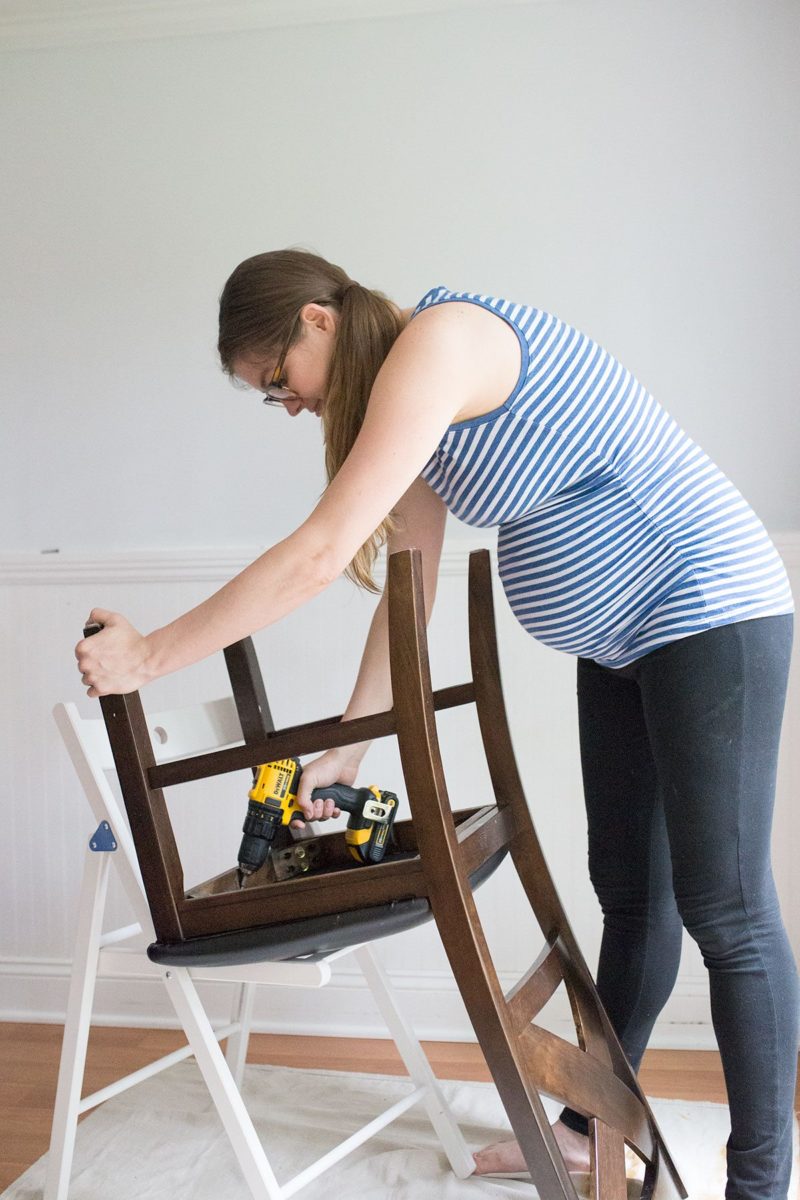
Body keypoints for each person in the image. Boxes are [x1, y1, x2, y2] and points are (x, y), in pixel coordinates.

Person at [75, 248, 797, 1200]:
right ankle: (591, 1131)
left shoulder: (442, 342)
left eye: (275, 380)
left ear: (317, 322)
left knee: (727, 911)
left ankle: (760, 1184)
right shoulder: (407, 405)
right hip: (625, 644)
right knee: (630, 892)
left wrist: (152, 654)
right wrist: (351, 746)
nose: (286, 405)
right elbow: (402, 596)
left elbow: (323, 551)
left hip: (708, 611)